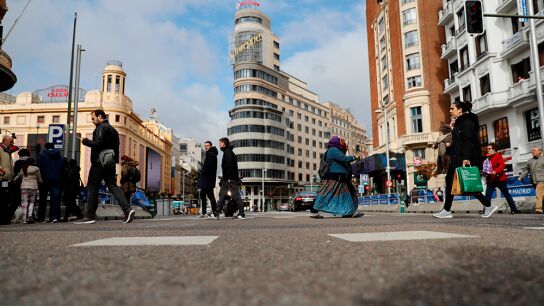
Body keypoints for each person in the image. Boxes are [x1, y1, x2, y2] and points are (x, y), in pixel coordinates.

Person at [433, 101, 497, 219]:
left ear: (460, 110)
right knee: (461, 184)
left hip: (464, 158)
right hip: (457, 158)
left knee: (467, 185)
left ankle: (447, 210)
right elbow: (458, 143)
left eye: (452, 109)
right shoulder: (459, 123)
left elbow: (468, 141)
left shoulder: (467, 122)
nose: (450, 111)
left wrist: (466, 158)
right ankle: (487, 205)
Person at [75, 109, 135, 224]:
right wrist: (114, 161)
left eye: (93, 118)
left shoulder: (101, 128)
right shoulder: (114, 130)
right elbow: (116, 148)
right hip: (110, 163)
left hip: (99, 162)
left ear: (100, 116)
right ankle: (127, 210)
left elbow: (98, 144)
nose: (92, 121)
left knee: (92, 187)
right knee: (113, 186)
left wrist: (85, 141)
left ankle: (89, 216)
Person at [311, 136, 363, 219]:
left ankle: (349, 212)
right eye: (340, 141)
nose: (342, 142)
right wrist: (354, 157)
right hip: (334, 177)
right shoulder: (333, 150)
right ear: (336, 142)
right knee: (325, 193)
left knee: (346, 195)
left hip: (340, 178)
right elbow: (344, 159)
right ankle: (316, 210)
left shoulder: (335, 150)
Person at [483, 143, 520, 214]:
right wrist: (484, 172)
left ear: (494, 149)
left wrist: (496, 171)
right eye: (487, 149)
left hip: (500, 179)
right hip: (491, 179)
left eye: (489, 149)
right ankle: (486, 210)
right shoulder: (487, 158)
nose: (488, 150)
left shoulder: (498, 156)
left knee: (506, 195)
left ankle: (514, 209)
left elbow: (502, 165)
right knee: (488, 196)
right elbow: (486, 168)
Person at [36, 142, 66, 223]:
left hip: (44, 180)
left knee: (43, 199)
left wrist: (40, 179)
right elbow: (63, 170)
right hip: (57, 180)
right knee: (55, 199)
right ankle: (54, 217)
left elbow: (38, 167)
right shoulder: (60, 157)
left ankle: (41, 218)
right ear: (53, 147)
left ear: (45, 147)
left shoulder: (41, 155)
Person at [217, 137, 244, 219]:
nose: (219, 145)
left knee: (236, 196)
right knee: (221, 195)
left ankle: (241, 213)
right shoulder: (227, 152)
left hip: (230, 179)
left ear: (224, 143)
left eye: (220, 143)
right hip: (226, 179)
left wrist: (228, 178)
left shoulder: (228, 153)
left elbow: (230, 166)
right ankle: (216, 213)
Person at [13, 158, 42, 224]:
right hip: (33, 188)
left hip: (24, 188)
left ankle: (24, 220)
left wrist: (14, 180)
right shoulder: (36, 169)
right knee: (31, 202)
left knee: (24, 203)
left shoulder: (23, 168)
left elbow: (18, 176)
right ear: (33, 162)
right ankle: (30, 216)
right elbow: (39, 178)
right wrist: (41, 182)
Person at [519, 147, 544, 214]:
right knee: (541, 195)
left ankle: (539, 209)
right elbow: (526, 169)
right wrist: (521, 176)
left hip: (542, 180)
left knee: (538, 193)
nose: (532, 151)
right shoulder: (530, 161)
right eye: (532, 150)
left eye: (534, 150)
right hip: (534, 181)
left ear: (540, 151)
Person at [197, 141, 218, 219]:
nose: (206, 147)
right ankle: (205, 212)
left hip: (207, 179)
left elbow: (207, 167)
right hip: (208, 179)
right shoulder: (211, 154)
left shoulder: (210, 155)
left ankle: (215, 213)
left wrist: (202, 172)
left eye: (207, 146)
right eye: (205, 146)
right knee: (204, 195)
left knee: (210, 196)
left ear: (211, 146)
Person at [0, 135, 14, 225]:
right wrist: (3, 173)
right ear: (4, 141)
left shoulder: (7, 150)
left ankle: (4, 219)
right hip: (2, 178)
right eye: (10, 142)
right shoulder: (1, 149)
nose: (12, 144)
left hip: (7, 179)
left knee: (5, 200)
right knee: (2, 200)